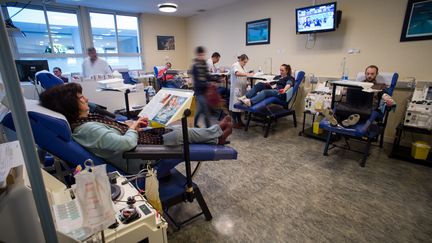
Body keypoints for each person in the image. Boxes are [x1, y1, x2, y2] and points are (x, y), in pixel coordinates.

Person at [39, 83, 233, 174]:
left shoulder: (85, 121)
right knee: (180, 132)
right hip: (136, 158)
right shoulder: (87, 130)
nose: (86, 99)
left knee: (172, 130)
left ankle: (216, 135)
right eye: (81, 98)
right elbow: (124, 143)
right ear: (69, 106)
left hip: (135, 145)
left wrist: (131, 125)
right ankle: (217, 136)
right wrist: (132, 129)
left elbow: (112, 133)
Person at [324, 65, 395, 127]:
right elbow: (345, 92)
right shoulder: (357, 84)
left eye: (372, 74)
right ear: (365, 74)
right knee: (338, 105)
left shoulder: (380, 86)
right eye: (368, 74)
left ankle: (343, 121)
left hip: (368, 107)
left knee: (354, 110)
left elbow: (383, 94)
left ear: (376, 74)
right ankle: (338, 120)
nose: (369, 76)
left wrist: (388, 99)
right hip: (353, 105)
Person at [229, 54, 254, 128]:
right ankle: (234, 122)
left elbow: (244, 77)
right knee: (235, 107)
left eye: (246, 62)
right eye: (244, 62)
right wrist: (247, 74)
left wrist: (247, 83)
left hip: (242, 89)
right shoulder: (235, 65)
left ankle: (239, 121)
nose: (245, 63)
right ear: (240, 60)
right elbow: (237, 73)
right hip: (236, 89)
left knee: (239, 107)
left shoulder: (242, 67)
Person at [192, 46, 211, 128]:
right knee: (206, 111)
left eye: (203, 55)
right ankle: (209, 129)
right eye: (200, 55)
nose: (202, 56)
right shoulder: (195, 66)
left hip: (205, 91)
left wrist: (217, 79)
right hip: (199, 91)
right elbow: (197, 81)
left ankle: (195, 124)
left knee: (200, 110)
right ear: (197, 55)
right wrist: (205, 84)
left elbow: (207, 76)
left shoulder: (205, 64)